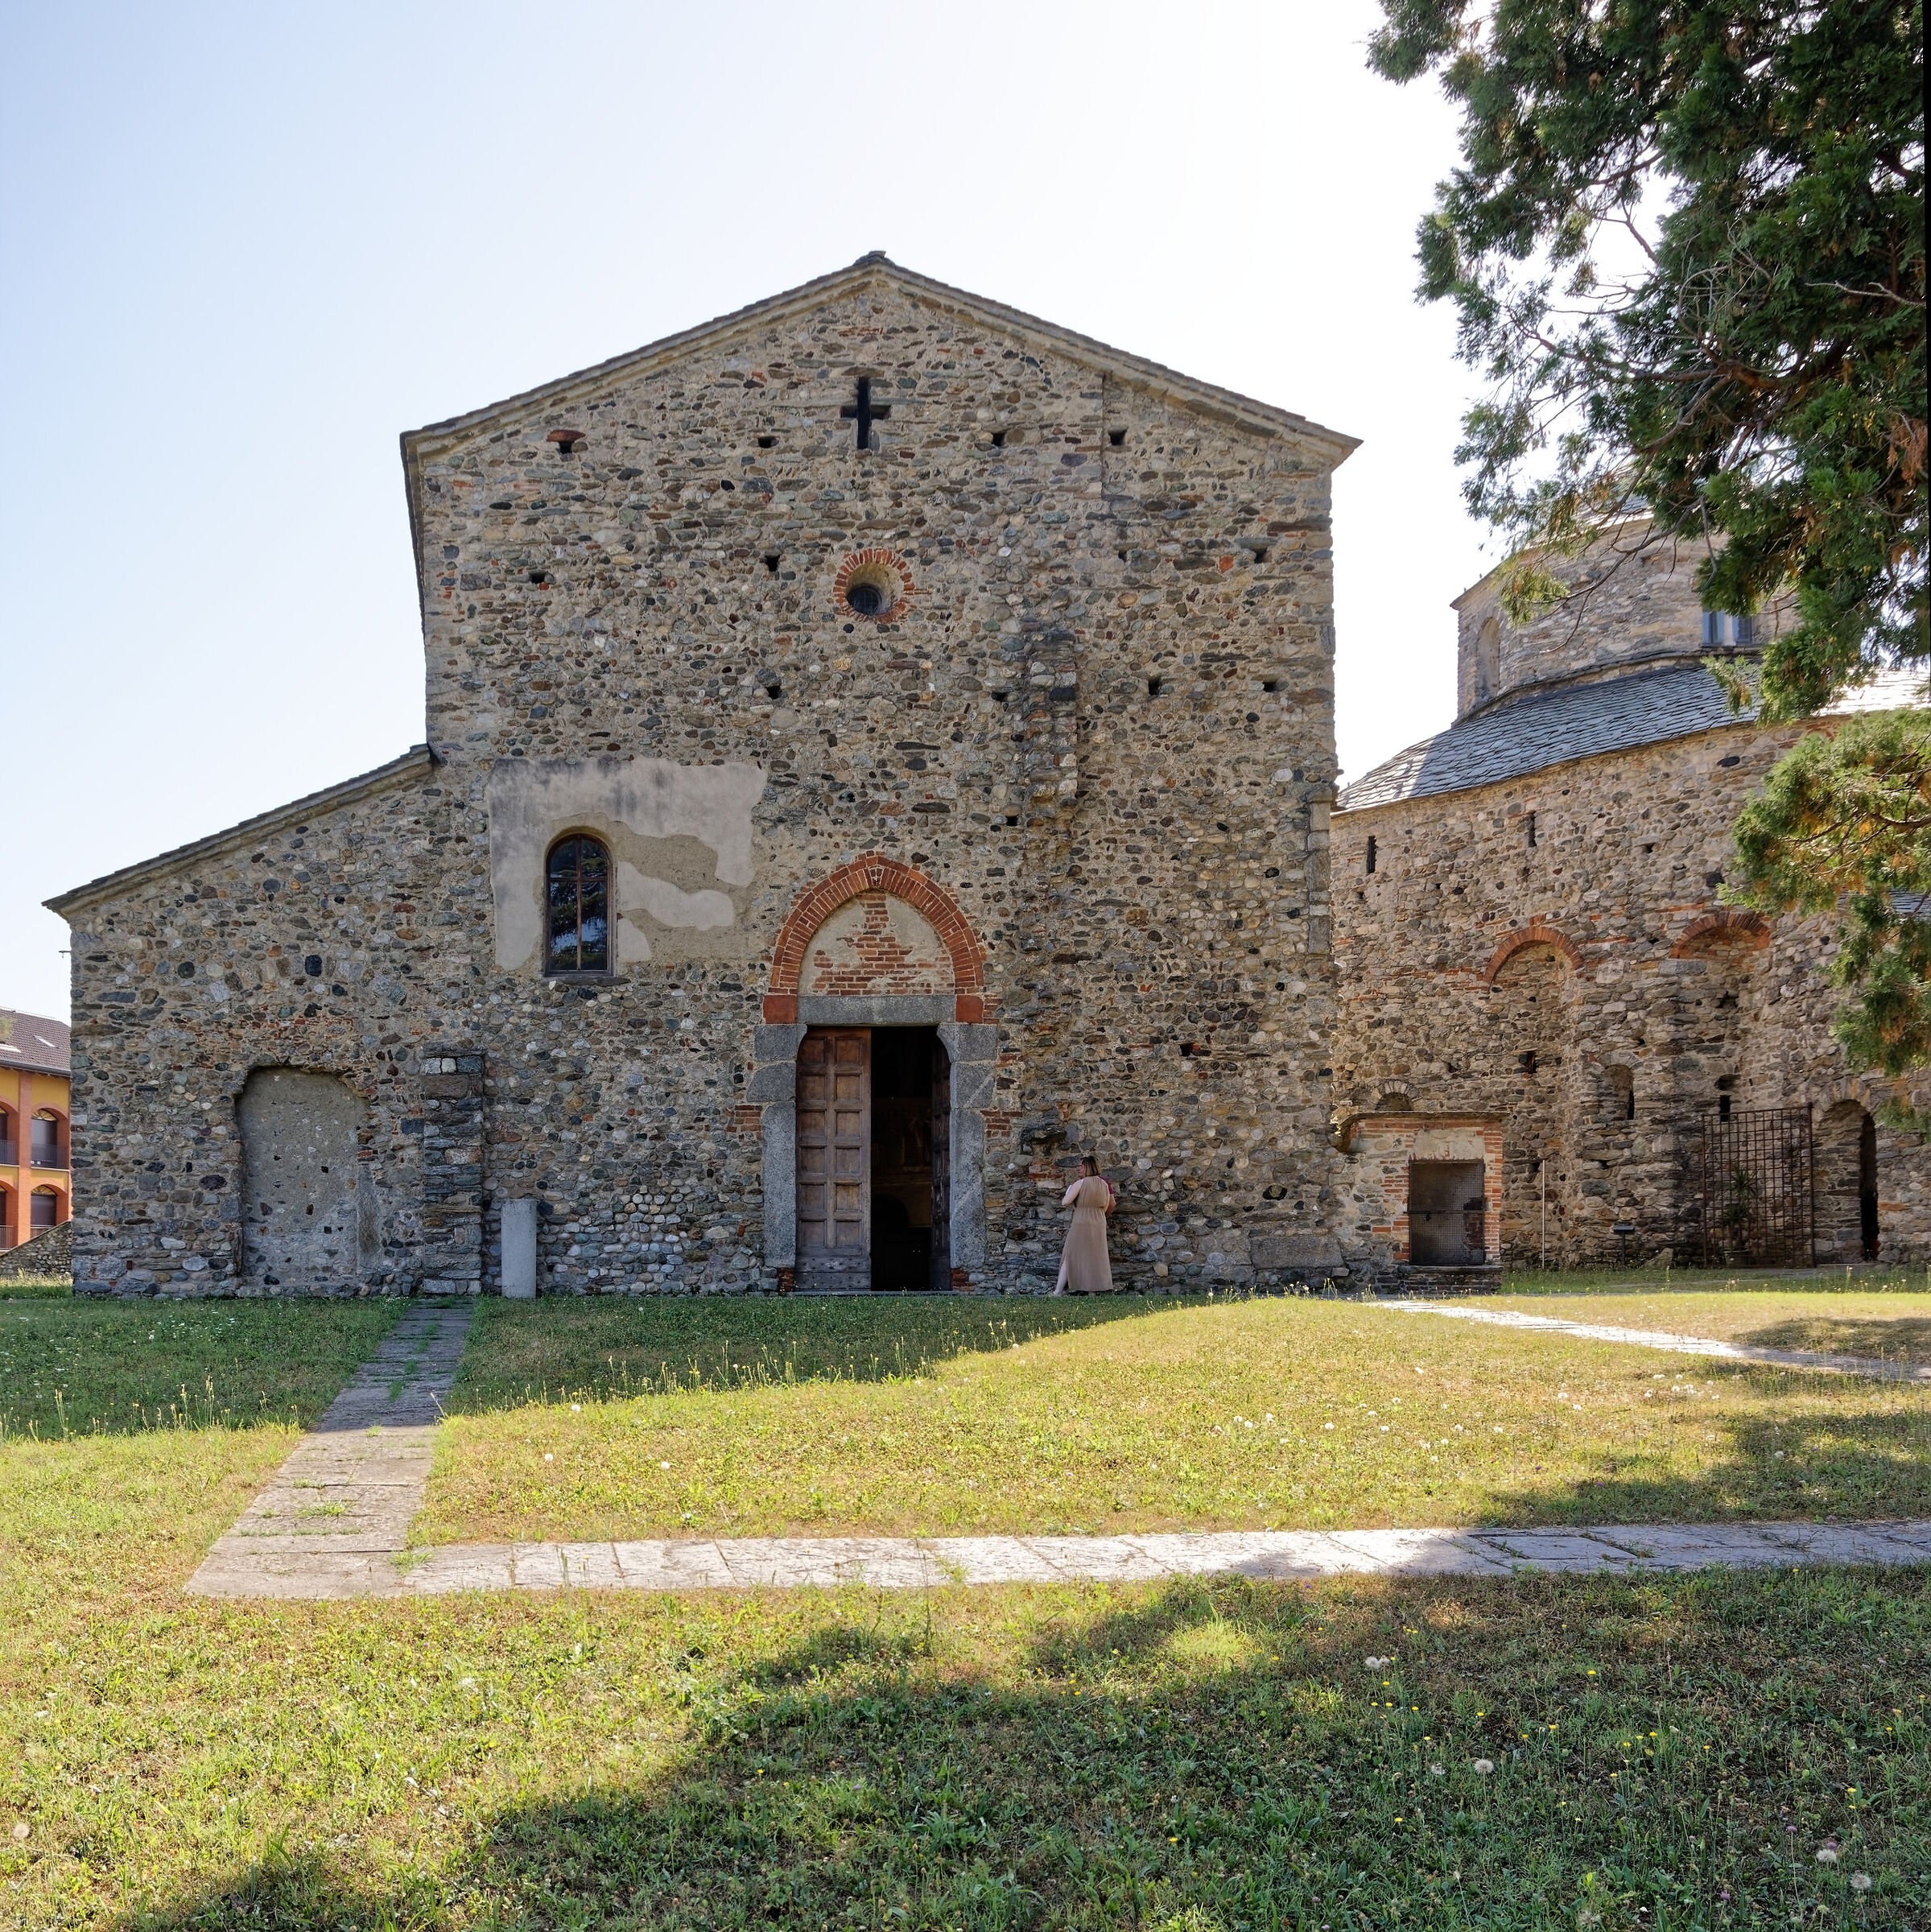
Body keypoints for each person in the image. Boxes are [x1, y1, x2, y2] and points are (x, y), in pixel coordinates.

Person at [1052, 1156, 1116, 1294]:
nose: (1078, 1168)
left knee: (1070, 1254)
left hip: (1081, 1220)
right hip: (1098, 1221)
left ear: (1088, 1167)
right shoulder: (1104, 1185)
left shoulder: (1080, 1183)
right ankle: (1094, 1289)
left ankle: (1058, 1291)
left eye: (1081, 1166)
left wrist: (1069, 1193)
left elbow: (1065, 1202)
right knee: (1095, 1256)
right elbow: (1106, 1206)